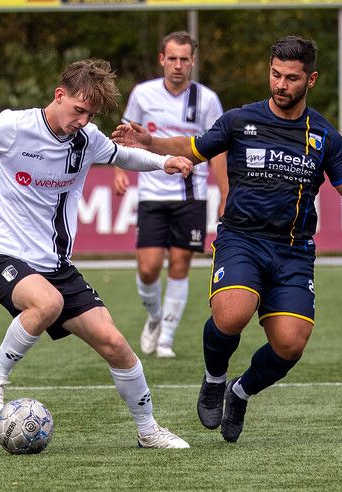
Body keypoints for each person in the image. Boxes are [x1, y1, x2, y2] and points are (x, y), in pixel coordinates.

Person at [112, 36, 342, 443]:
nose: (281, 85)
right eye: (275, 75)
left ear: (311, 79)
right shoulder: (239, 121)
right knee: (232, 314)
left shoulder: (323, 135)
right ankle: (215, 378)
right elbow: (193, 147)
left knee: (290, 346)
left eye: (291, 78)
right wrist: (149, 142)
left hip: (294, 251)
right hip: (241, 238)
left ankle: (240, 391)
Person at [0, 58, 193, 449]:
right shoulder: (13, 127)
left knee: (115, 345)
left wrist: (164, 162)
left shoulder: (86, 140)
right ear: (59, 95)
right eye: (79, 110)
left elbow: (123, 155)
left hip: (55, 266)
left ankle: (148, 431)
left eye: (91, 115)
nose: (83, 121)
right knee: (47, 302)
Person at [112, 31, 227, 359]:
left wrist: (225, 192)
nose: (178, 65)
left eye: (184, 59)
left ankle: (166, 339)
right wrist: (120, 171)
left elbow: (218, 150)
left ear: (193, 61)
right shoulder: (142, 94)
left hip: (192, 194)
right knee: (148, 268)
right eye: (172, 58)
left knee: (180, 263)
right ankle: (154, 317)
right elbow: (125, 136)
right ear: (162, 59)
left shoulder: (207, 100)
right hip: (151, 191)